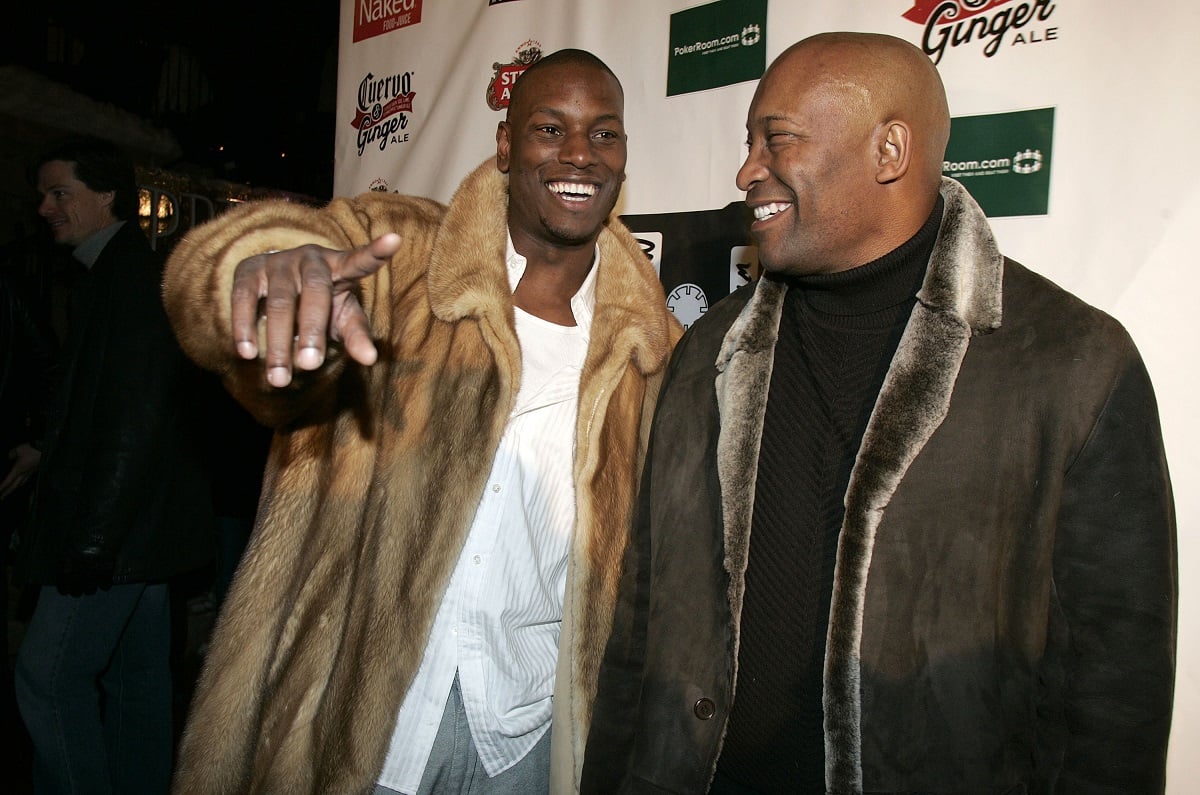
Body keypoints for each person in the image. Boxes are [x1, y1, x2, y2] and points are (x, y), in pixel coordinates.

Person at [581, 31, 1177, 794]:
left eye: (777, 139)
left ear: (889, 150)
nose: (747, 170)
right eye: (748, 142)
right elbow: (640, 619)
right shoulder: (709, 351)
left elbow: (1115, 689)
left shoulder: (1073, 363)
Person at [163, 49, 681, 794]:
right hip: (352, 730)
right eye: (549, 128)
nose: (579, 153)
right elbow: (263, 261)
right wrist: (266, 273)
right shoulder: (401, 255)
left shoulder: (651, 348)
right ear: (505, 145)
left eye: (604, 134)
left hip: (527, 737)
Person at [14, 137, 215, 794]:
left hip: (115, 530)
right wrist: (46, 447)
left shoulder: (127, 280)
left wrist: (94, 540)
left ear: (107, 195)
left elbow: (136, 421)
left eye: (60, 192)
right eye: (43, 195)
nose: (45, 208)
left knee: (46, 680)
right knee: (137, 685)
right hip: (139, 531)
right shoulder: (120, 272)